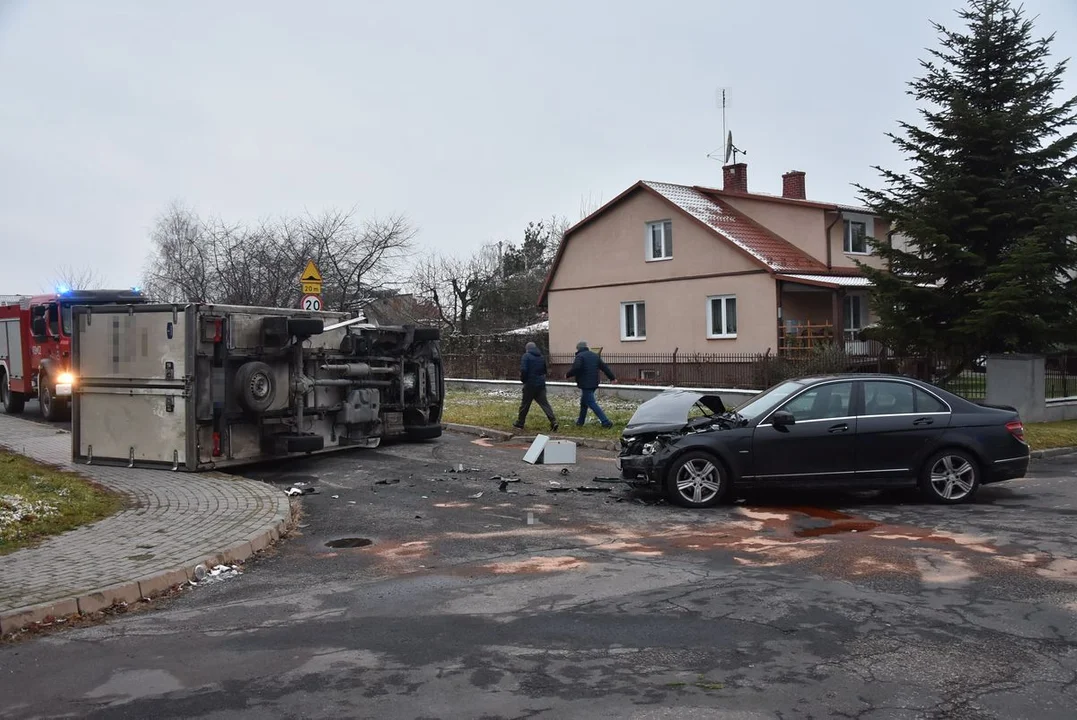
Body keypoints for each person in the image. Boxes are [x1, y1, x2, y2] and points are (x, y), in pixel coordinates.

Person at [566, 340, 616, 428]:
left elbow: (576, 368)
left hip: (585, 383)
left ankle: (606, 422)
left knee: (591, 403)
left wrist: (568, 374)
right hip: (594, 383)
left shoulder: (580, 356)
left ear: (578, 348)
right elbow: (604, 368)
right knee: (584, 403)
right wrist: (612, 378)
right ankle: (580, 422)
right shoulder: (594, 356)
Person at [514, 342, 558, 432]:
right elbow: (545, 370)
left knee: (525, 404)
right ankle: (553, 421)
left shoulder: (526, 356)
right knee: (545, 404)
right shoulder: (541, 357)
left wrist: (523, 380)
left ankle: (520, 423)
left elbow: (524, 369)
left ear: (527, 349)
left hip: (530, 384)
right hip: (541, 384)